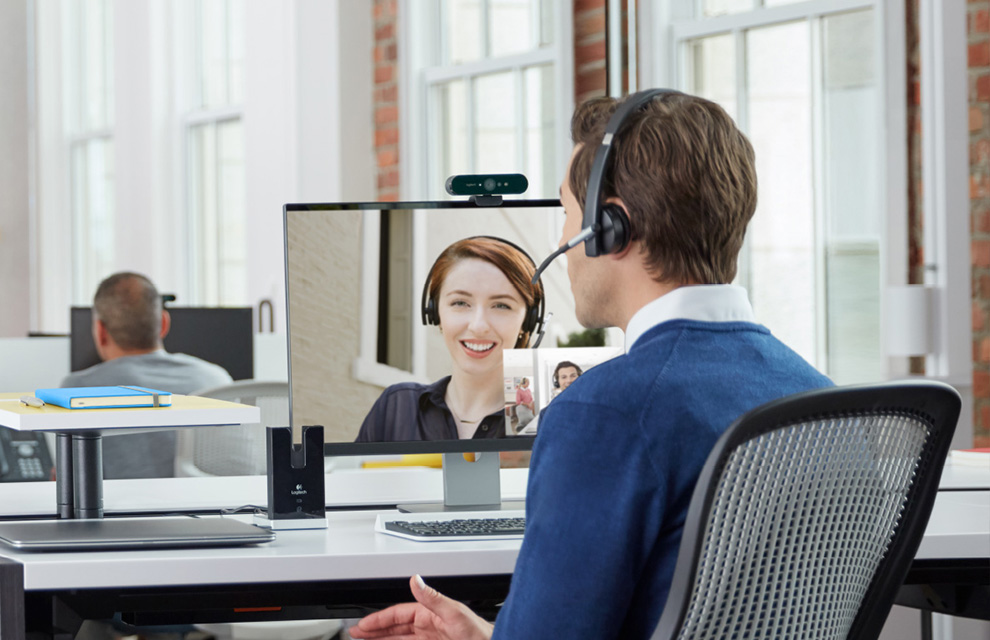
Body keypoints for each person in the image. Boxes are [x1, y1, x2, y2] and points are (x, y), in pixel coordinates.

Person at [349, 90, 832, 639]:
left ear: (611, 229)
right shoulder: (821, 397)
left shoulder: (602, 412)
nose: (560, 240)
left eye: (565, 214)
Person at [356, 237, 544, 442]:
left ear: (528, 321)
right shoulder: (397, 408)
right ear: (435, 313)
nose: (478, 326)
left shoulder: (550, 419)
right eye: (460, 302)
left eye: (501, 305)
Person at [61, 272, 232, 479]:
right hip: (217, 508)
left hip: (128, 510)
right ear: (163, 323)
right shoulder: (217, 378)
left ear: (100, 331)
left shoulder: (78, 390)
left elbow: (72, 481)